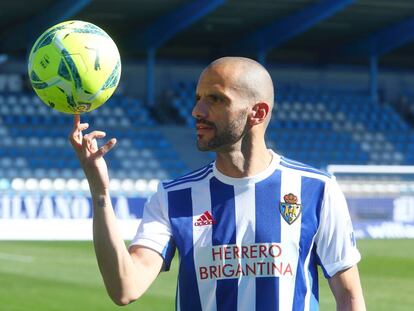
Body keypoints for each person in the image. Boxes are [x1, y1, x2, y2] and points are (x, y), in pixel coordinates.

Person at [70, 56, 366, 310]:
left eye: (215, 99)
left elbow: (350, 298)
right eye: (198, 98)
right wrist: (100, 193)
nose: (196, 111)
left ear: (257, 113)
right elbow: (125, 287)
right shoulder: (174, 197)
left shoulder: (317, 190)